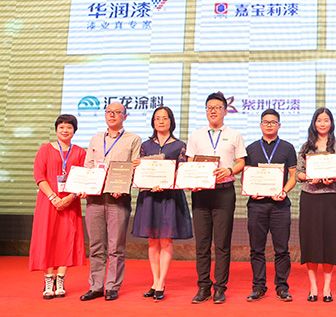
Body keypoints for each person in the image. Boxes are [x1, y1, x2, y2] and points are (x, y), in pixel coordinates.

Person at [186, 92, 246, 304]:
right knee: (202, 244)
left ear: (225, 111)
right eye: (209, 107)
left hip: (224, 193)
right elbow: (190, 163)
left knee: (222, 243)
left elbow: (241, 162)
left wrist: (229, 170)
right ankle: (203, 286)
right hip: (201, 193)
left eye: (217, 107)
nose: (213, 111)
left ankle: (220, 287)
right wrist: (191, 179)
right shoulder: (196, 135)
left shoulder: (235, 135)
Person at [80, 102, 142, 301]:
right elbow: (88, 166)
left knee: (116, 247)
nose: (112, 115)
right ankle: (96, 286)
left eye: (117, 112)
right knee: (95, 246)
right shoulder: (96, 138)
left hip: (118, 199)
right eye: (109, 112)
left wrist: (122, 186)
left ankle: (112, 286)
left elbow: (135, 167)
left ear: (125, 116)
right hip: (95, 199)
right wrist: (85, 185)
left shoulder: (133, 139)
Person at [131, 106, 192, 301]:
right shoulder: (146, 145)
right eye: (157, 118)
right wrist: (137, 167)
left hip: (169, 197)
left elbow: (182, 171)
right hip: (149, 196)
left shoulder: (180, 145)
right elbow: (140, 171)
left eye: (164, 118)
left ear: (171, 121)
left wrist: (166, 183)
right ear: (153, 122)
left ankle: (161, 282)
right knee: (152, 240)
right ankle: (155, 281)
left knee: (166, 240)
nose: (161, 121)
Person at [29, 114, 87, 299]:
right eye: (61, 127)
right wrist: (54, 198)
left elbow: (83, 179)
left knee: (67, 238)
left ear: (74, 131)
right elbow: (39, 176)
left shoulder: (80, 152)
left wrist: (70, 198)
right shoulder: (45, 149)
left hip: (70, 202)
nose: (65, 130)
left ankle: (60, 279)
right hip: (48, 202)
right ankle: (48, 280)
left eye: (69, 127)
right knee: (47, 238)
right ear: (56, 129)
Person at [245, 109, 297, 302]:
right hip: (256, 205)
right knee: (256, 249)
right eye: (265, 122)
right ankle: (258, 287)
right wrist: (250, 191)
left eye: (273, 122)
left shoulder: (288, 148)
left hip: (280, 206)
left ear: (279, 125)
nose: (269, 125)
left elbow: (293, 176)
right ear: (260, 125)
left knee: (282, 249)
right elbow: (246, 176)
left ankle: (282, 287)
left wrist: (284, 191)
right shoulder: (251, 148)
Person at [296, 108, 336, 303]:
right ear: (314, 123)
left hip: (330, 198)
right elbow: (298, 173)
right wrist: (309, 177)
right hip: (310, 197)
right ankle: (313, 287)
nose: (322, 123)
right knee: (311, 241)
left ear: (331, 123)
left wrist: (333, 178)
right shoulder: (306, 146)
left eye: (326, 120)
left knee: (328, 241)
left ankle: (327, 287)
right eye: (319, 120)